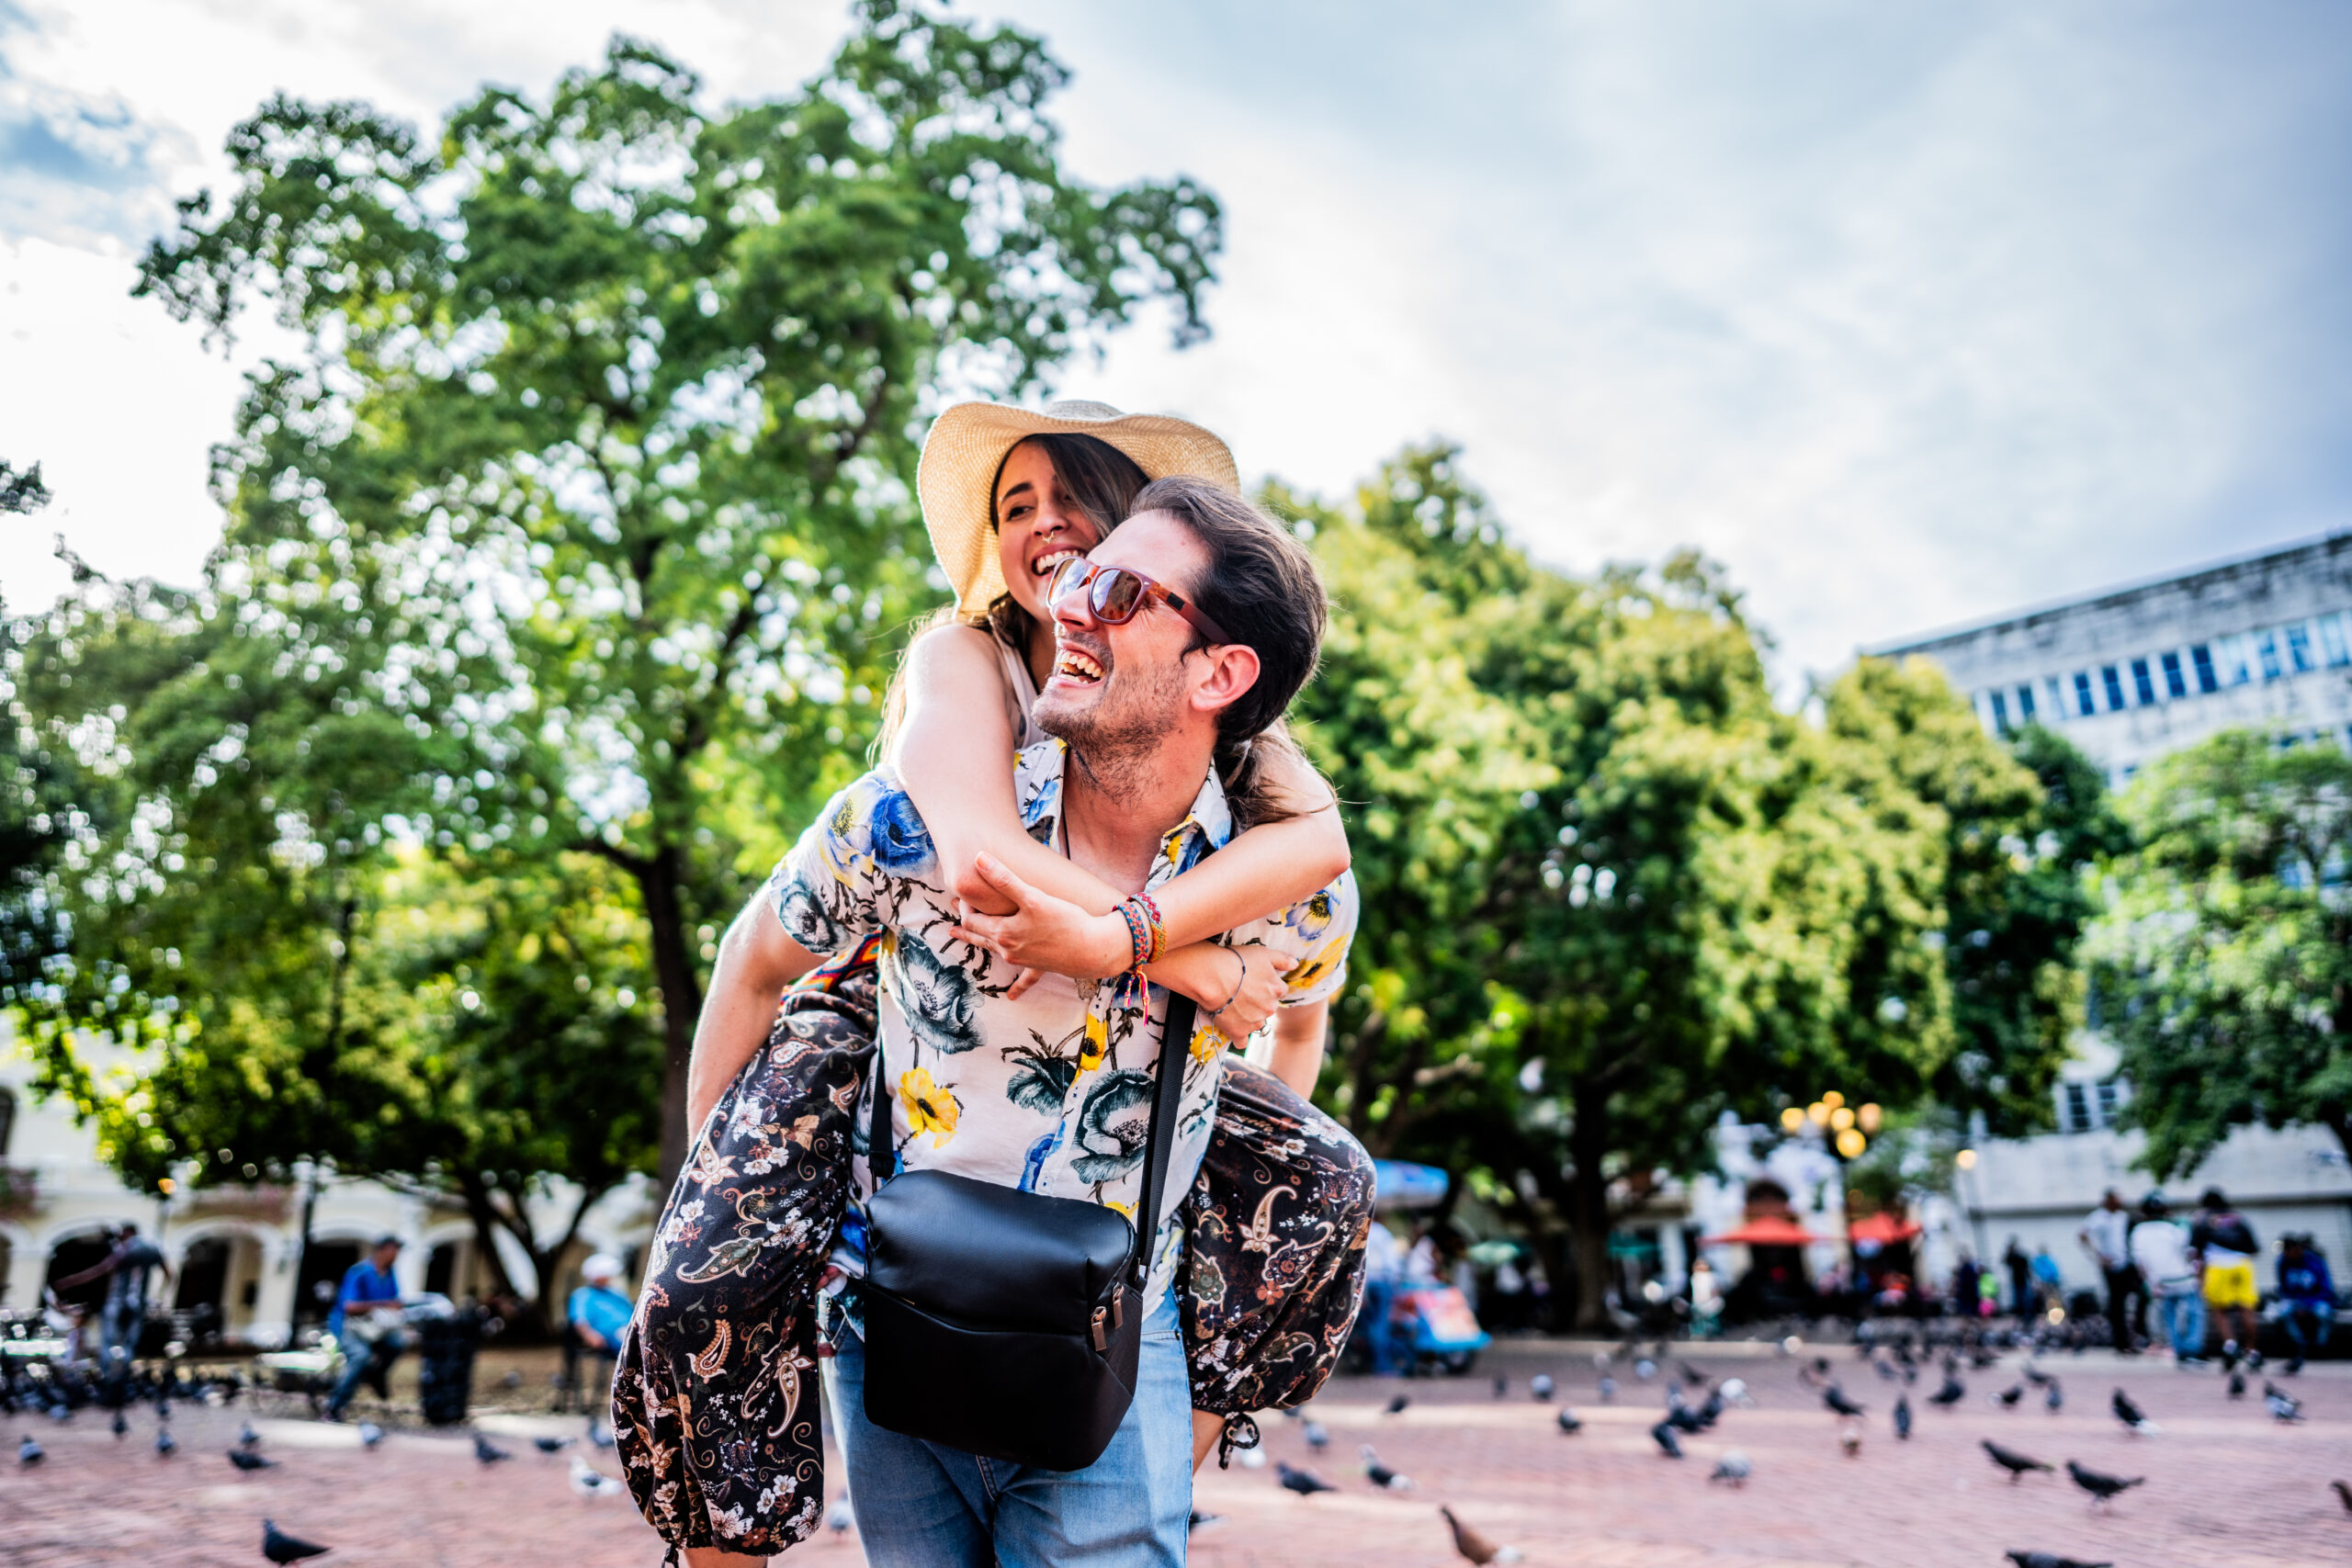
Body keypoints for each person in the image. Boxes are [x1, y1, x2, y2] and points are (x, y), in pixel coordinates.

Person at [615, 409, 1376, 1563]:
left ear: (1221, 670)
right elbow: (774, 952)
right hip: (892, 1314)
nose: (1072, 589)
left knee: (1333, 1176)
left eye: (1113, 578)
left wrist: (1194, 1356)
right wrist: (730, 1225)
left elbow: (1304, 999)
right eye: (1024, 521)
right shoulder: (923, 786)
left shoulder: (1278, 870)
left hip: (1115, 1337)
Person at [51, 1224, 170, 1382]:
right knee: (130, 1343)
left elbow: (101, 1270)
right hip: (139, 1302)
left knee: (108, 1341)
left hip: (117, 1301)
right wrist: (159, 1296)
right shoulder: (152, 1250)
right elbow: (169, 1275)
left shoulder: (124, 1250)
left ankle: (107, 1377)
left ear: (128, 1233)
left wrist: (69, 1281)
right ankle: (123, 1376)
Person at [325, 1235, 407, 1418]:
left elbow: (394, 1302)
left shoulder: (390, 1273)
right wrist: (383, 1304)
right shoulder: (360, 1272)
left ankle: (376, 1375)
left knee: (398, 1343)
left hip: (375, 1328)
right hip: (349, 1327)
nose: (396, 1255)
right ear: (382, 1250)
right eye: (393, 1250)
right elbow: (350, 1307)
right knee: (360, 1357)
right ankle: (334, 1406)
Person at [2129, 1195, 2204, 1363]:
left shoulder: (2138, 1231)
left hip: (2162, 1282)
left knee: (2170, 1317)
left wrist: (2150, 1284)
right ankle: (2192, 1348)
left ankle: (2178, 1349)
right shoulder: (2172, 1228)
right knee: (2194, 1313)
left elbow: (2140, 1262)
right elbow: (2189, 1252)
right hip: (2184, 1278)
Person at [2190, 1187, 2260, 1361]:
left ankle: (2230, 1345)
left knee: (2220, 1310)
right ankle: (2251, 1350)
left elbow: (2196, 1251)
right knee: (2246, 1308)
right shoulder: (2238, 1218)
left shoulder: (2202, 1219)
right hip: (2242, 1265)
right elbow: (2254, 1249)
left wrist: (2199, 1276)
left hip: (2217, 1265)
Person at [2078, 1188, 2143, 1352]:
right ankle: (2121, 1342)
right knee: (2117, 1303)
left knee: (2141, 1295)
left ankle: (2138, 1334)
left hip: (2126, 1264)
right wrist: (2098, 1257)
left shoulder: (2123, 1217)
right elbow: (2083, 1235)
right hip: (2111, 1267)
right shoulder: (2099, 1217)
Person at [566, 1254, 633, 1410]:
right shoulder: (583, 1295)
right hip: (611, 1337)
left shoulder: (616, 1294)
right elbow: (579, 1320)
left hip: (630, 1331)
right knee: (633, 1347)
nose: (609, 1277)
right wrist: (589, 1335)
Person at [2277, 1234, 2335, 1369]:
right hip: (2296, 1301)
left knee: (2323, 1313)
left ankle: (2320, 1347)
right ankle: (2300, 1345)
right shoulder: (2283, 1261)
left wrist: (2308, 1303)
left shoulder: (2314, 1260)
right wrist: (2297, 1303)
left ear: (2296, 1249)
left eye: (2288, 1251)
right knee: (2283, 1311)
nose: (2287, 1254)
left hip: (2317, 1299)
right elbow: (2284, 1288)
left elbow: (2326, 1288)